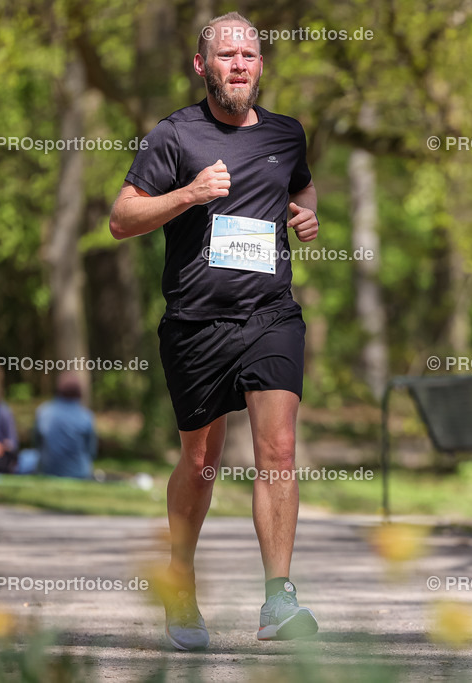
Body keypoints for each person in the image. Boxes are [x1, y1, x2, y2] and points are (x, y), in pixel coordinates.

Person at [109, 11, 319, 651]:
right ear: (202, 66)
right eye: (226, 56)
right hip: (196, 323)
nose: (239, 65)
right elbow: (121, 218)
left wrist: (304, 218)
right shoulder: (173, 136)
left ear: (261, 65)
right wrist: (189, 193)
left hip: (271, 314)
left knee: (278, 449)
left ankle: (278, 599)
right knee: (201, 460)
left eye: (249, 55)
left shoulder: (287, 133)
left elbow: (302, 192)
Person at [35, 372, 97, 479]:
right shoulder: (86, 416)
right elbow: (91, 451)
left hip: (48, 471)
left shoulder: (44, 412)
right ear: (79, 393)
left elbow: (37, 444)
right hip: (79, 473)